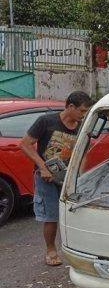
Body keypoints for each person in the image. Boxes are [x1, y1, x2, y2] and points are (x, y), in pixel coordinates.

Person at [20, 91, 94, 266]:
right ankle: (51, 250)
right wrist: (42, 167)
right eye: (82, 111)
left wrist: (79, 176)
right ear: (70, 107)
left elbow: (83, 154)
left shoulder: (82, 127)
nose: (83, 115)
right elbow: (25, 144)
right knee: (51, 216)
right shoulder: (46, 121)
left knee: (74, 213)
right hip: (45, 177)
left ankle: (77, 248)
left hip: (68, 177)